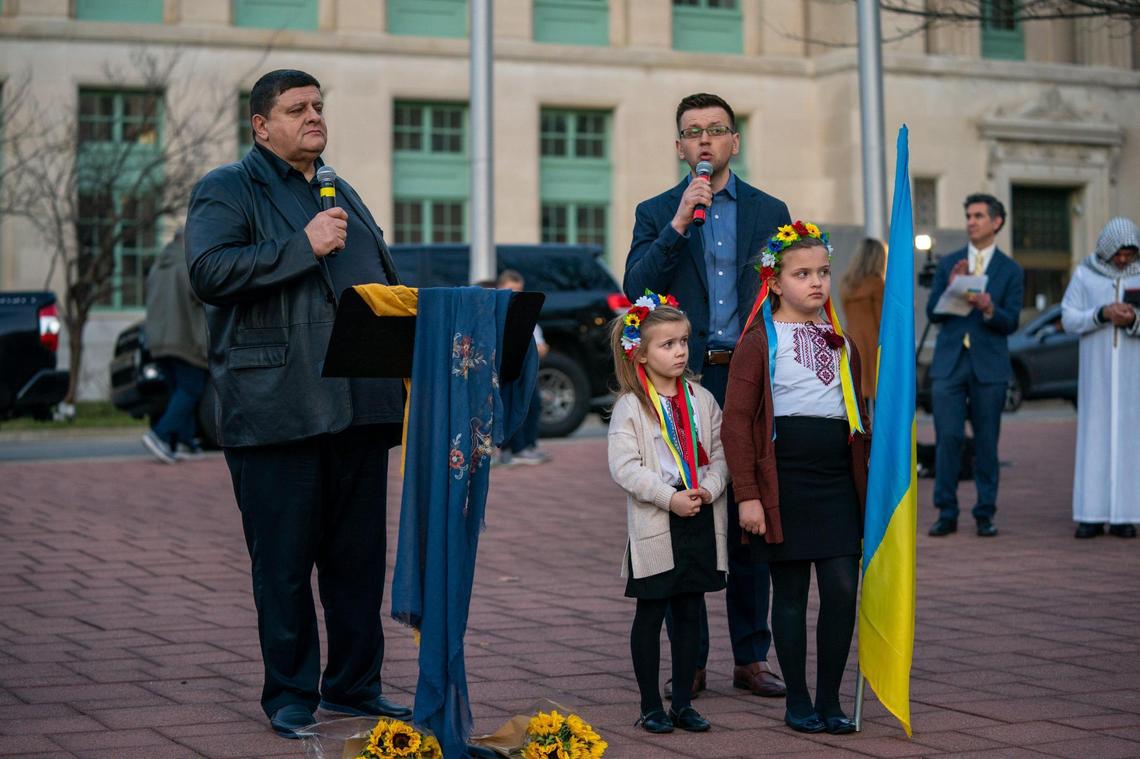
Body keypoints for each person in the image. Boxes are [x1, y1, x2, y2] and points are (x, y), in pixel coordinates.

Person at [185, 69, 410, 739]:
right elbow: (209, 272)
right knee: (283, 562)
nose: (314, 115)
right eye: (297, 108)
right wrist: (300, 246)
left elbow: (374, 280)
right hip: (277, 405)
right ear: (261, 125)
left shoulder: (338, 188)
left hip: (358, 404)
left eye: (319, 105)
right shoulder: (228, 187)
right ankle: (289, 693)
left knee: (357, 561)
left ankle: (354, 683)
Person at [623, 92, 790, 700]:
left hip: (746, 376)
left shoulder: (772, 210)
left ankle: (752, 656)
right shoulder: (657, 210)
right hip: (682, 384)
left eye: (716, 130)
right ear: (679, 147)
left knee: (750, 509)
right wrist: (676, 226)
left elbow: (784, 293)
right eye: (692, 132)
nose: (704, 141)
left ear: (734, 142)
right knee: (688, 513)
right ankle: (690, 659)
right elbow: (636, 288)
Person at [721, 222, 870, 736]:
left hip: (836, 484)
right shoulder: (760, 341)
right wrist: (749, 497)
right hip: (783, 484)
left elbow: (858, 416)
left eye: (823, 272)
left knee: (842, 587)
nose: (816, 283)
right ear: (775, 281)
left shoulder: (841, 340)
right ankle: (799, 699)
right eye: (802, 273)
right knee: (788, 592)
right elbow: (736, 424)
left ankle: (830, 697)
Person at [607, 292, 729, 735]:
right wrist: (667, 497)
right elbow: (625, 468)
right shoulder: (631, 407)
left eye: (683, 342)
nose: (680, 352)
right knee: (652, 611)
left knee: (691, 611)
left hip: (698, 511)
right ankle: (649, 705)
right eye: (667, 344)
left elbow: (719, 454)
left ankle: (682, 701)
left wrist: (709, 488)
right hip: (659, 519)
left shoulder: (701, 399)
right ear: (640, 353)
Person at [925, 194, 1024, 538]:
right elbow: (933, 314)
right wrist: (953, 287)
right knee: (948, 437)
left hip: (989, 365)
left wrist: (989, 308)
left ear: (996, 222)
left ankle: (985, 513)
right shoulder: (950, 262)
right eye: (968, 215)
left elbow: (1011, 321)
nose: (971, 221)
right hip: (950, 363)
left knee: (986, 442)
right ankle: (946, 511)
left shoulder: (1010, 270)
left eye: (978, 216)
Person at [1061, 217, 1140, 539]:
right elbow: (1068, 318)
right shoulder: (1085, 274)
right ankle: (1090, 514)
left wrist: (1133, 318)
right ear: (1107, 249)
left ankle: (1125, 515)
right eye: (1118, 253)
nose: (1123, 259)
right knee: (1094, 440)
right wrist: (1101, 314)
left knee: (1130, 441)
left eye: (1129, 253)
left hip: (1132, 379)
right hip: (1096, 377)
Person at [141, 226, 208, 464]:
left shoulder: (157, 268)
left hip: (157, 342)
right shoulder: (188, 266)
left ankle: (183, 442)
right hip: (183, 340)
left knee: (178, 390)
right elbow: (205, 293)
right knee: (192, 389)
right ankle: (159, 435)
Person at [496, 269, 550, 466]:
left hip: (525, 371)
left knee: (531, 405)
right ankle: (510, 449)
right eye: (510, 290)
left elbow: (540, 343)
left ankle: (526, 446)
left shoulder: (527, 315)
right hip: (505, 370)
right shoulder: (496, 313)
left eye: (519, 290)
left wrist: (541, 349)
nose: (515, 294)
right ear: (499, 288)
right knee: (509, 406)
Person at [839, 238, 885, 415]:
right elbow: (882, 319)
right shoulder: (876, 283)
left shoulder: (847, 283)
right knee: (877, 394)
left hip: (851, 340)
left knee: (857, 394)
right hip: (873, 344)